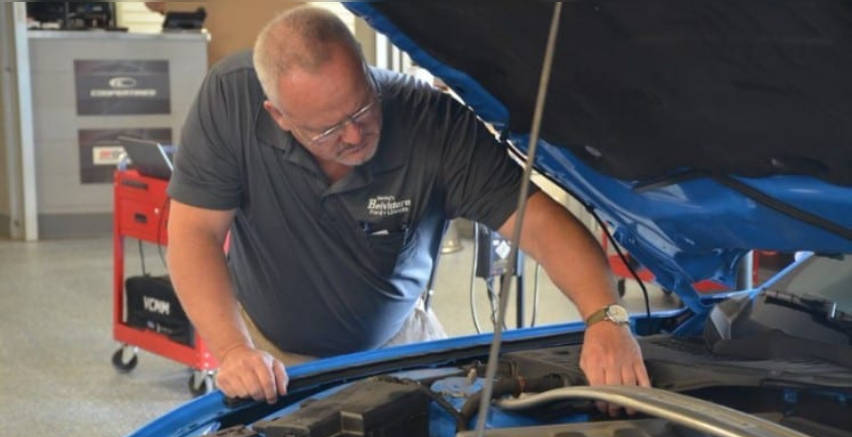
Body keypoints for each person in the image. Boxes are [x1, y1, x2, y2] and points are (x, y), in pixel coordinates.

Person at [166, 6, 650, 411]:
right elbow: (194, 235)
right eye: (328, 130)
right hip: (268, 353)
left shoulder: (432, 123)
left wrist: (605, 317)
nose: (354, 136)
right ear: (279, 116)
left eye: (361, 109)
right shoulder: (231, 100)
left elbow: (540, 223)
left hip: (399, 343)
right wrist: (232, 350)